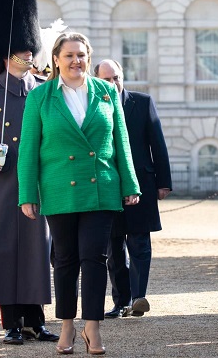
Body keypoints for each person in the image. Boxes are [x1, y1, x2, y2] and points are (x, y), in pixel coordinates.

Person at [18, 32, 140, 355]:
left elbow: (121, 141)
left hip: (100, 185)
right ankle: (68, 324)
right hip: (59, 189)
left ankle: (93, 327)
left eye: (82, 55)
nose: (76, 61)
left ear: (89, 57)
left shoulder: (106, 92)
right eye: (69, 55)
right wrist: (27, 193)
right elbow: (28, 149)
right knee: (66, 259)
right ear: (56, 60)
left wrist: (130, 184)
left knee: (95, 257)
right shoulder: (40, 98)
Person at [0, 0, 58, 345]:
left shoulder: (42, 91)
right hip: (3, 181)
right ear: (7, 54)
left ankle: (36, 320)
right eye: (21, 51)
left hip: (36, 179)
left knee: (38, 251)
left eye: (28, 50)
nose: (27, 56)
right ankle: (12, 322)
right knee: (6, 251)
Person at [93, 59, 172, 319]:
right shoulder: (92, 106)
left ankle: (139, 297)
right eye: (107, 79)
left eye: (116, 77)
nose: (113, 83)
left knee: (139, 243)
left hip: (142, 185)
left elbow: (157, 143)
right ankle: (120, 302)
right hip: (107, 186)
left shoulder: (142, 102)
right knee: (114, 249)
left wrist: (164, 182)